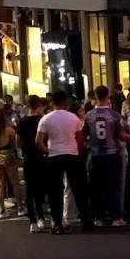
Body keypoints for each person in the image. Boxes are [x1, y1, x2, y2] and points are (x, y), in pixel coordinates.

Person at [84, 86, 130, 227]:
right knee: (114, 186)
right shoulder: (114, 115)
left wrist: (88, 144)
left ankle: (98, 217)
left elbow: (84, 136)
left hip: (96, 154)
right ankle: (116, 217)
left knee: (97, 187)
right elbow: (121, 135)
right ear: (108, 95)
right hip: (112, 154)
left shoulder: (89, 115)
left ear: (95, 97)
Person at [37, 91, 91, 234]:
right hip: (72, 154)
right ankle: (86, 221)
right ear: (65, 102)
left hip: (54, 155)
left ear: (51, 102)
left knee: (55, 191)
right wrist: (75, 148)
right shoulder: (73, 118)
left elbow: (38, 141)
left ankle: (57, 223)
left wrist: (48, 151)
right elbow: (80, 138)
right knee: (78, 188)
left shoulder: (46, 119)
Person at [17, 95, 49, 232]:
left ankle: (33, 221)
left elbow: (18, 142)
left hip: (28, 157)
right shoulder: (42, 121)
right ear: (39, 106)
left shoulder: (22, 122)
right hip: (41, 155)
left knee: (30, 189)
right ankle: (41, 217)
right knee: (41, 188)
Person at [0, 110, 26, 218]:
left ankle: (2, 210)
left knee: (0, 184)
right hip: (8, 156)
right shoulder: (8, 130)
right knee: (15, 182)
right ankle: (20, 208)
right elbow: (17, 143)